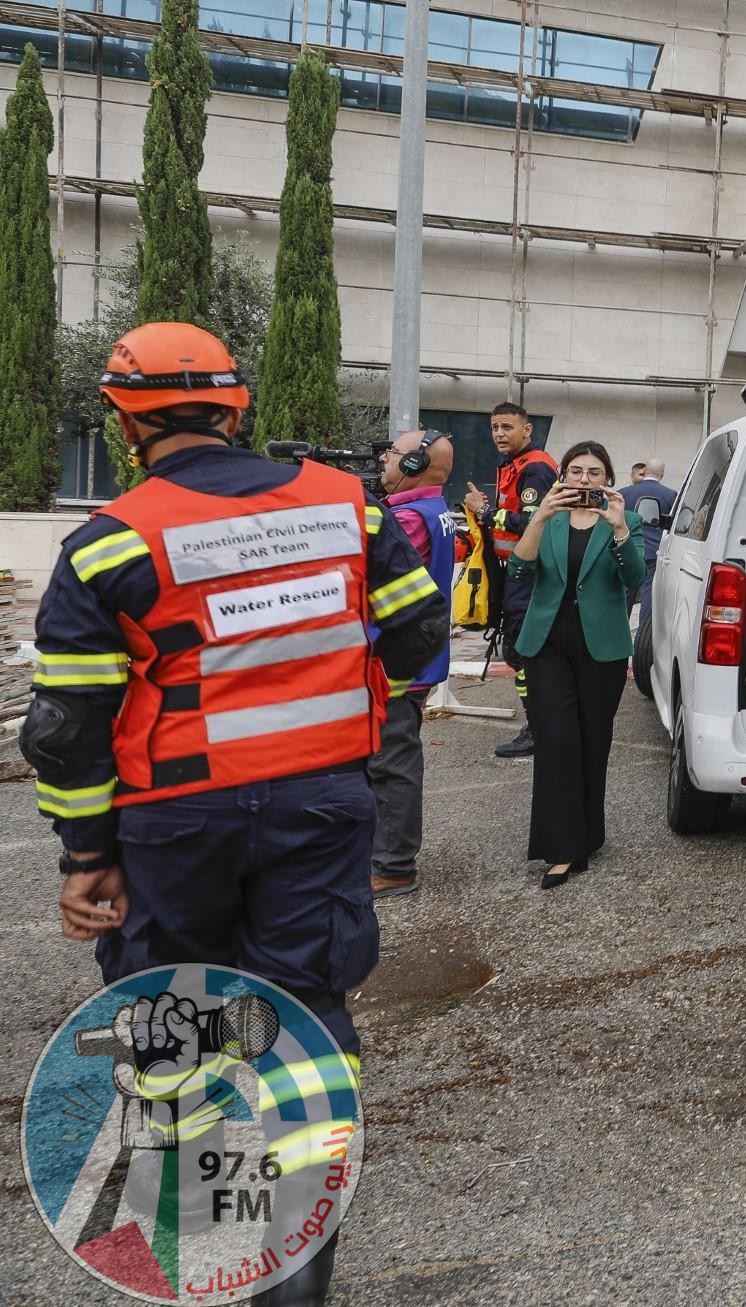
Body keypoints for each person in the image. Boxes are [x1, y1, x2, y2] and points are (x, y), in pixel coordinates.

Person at [20, 323, 448, 1306]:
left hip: (175, 826)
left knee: (184, 1029)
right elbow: (421, 627)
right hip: (321, 806)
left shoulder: (108, 543)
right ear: (236, 404)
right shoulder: (347, 505)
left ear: (123, 418)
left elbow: (65, 730)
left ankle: (217, 1252)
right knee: (303, 1020)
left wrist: (88, 853)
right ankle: (291, 1281)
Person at [506, 440, 644, 889]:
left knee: (592, 740)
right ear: (563, 475)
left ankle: (588, 836)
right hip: (547, 643)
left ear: (608, 478)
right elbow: (520, 571)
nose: (585, 480)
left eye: (595, 472)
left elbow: (634, 579)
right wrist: (541, 516)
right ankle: (562, 850)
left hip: (600, 646)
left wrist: (620, 529)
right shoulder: (547, 519)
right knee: (557, 739)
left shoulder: (627, 521)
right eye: (576, 471)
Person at [367, 429, 461, 900]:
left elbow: (372, 579)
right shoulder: (433, 510)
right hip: (415, 656)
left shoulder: (406, 518)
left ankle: (393, 866)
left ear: (414, 465)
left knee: (392, 761)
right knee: (391, 757)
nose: (385, 459)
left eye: (394, 454)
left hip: (395, 661)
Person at [463, 402, 557, 758]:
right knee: (519, 651)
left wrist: (487, 512)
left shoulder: (535, 468)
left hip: (530, 573)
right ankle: (538, 725)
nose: (499, 434)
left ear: (527, 430)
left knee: (522, 651)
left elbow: (536, 523)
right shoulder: (514, 464)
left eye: (507, 427)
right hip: (514, 571)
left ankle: (538, 729)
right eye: (494, 427)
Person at [619, 456, 677, 620]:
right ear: (662, 474)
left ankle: (619, 631)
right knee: (649, 597)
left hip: (627, 549)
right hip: (654, 553)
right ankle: (643, 638)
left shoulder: (623, 493)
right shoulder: (671, 495)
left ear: (644, 471)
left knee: (624, 595)